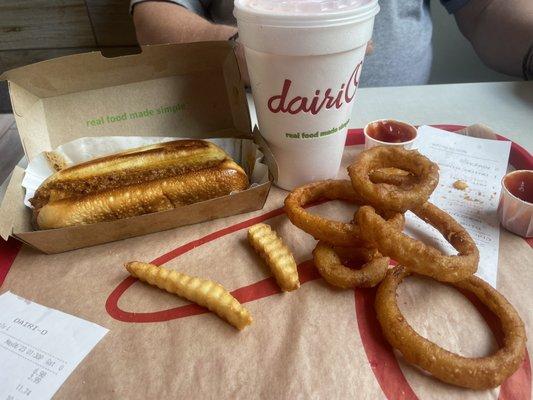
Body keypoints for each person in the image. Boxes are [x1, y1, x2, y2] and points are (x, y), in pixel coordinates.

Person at [130, 0, 533, 86]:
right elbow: (155, 13)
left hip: (408, 127)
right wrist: (245, 49)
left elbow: (485, 10)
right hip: (249, 118)